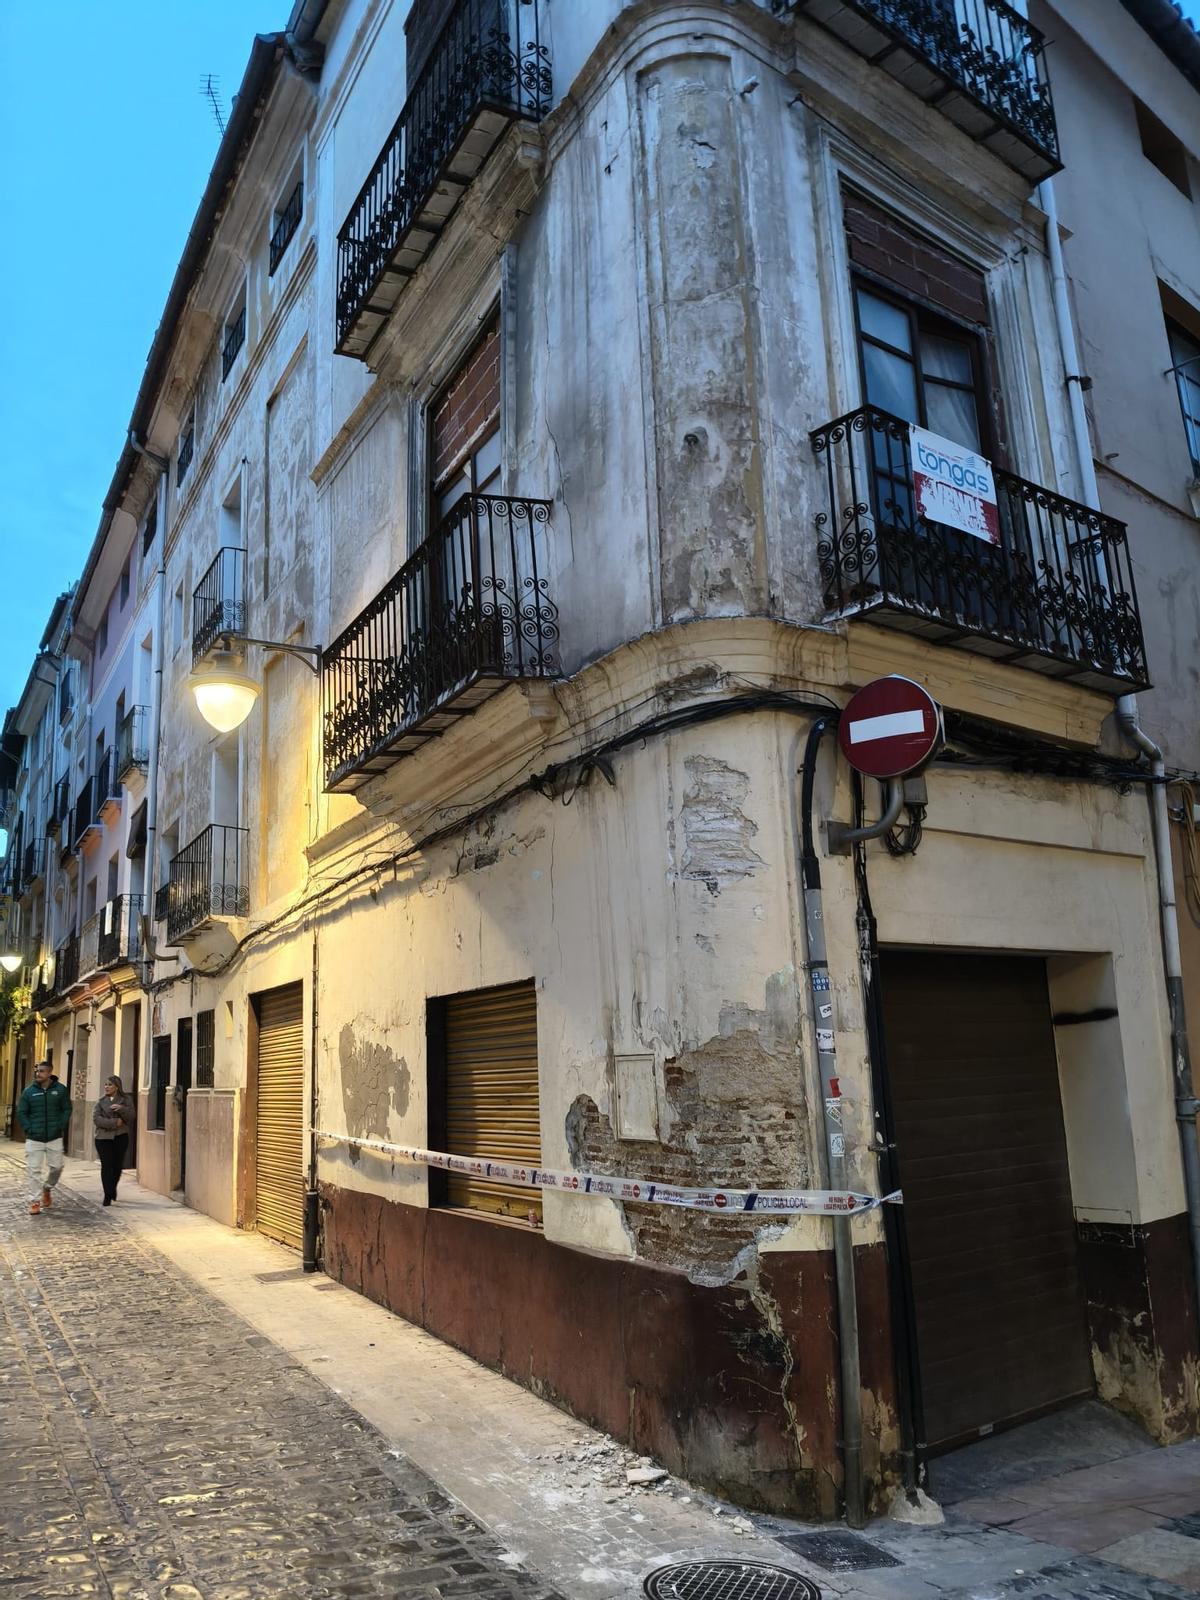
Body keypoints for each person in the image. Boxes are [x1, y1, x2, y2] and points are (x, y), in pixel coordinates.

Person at [18, 1060, 72, 1216]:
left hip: (54, 1136)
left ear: (49, 1073)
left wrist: (59, 1126)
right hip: (34, 1138)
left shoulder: (61, 1090)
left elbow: (66, 1109)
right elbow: (22, 1112)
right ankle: (35, 1201)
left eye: (41, 1071)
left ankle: (47, 1188)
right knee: (33, 1170)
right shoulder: (28, 1092)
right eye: (37, 1071)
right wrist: (29, 1128)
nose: (38, 1073)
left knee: (57, 1167)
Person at [93, 1075, 135, 1206]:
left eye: (109, 1084)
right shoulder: (100, 1102)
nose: (106, 1087)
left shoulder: (126, 1100)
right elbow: (97, 1119)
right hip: (103, 1138)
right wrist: (115, 1122)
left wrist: (122, 1109)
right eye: (105, 1084)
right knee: (106, 1166)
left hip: (120, 1137)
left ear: (117, 1086)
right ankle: (107, 1194)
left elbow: (132, 1116)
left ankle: (112, 1188)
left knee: (117, 1166)